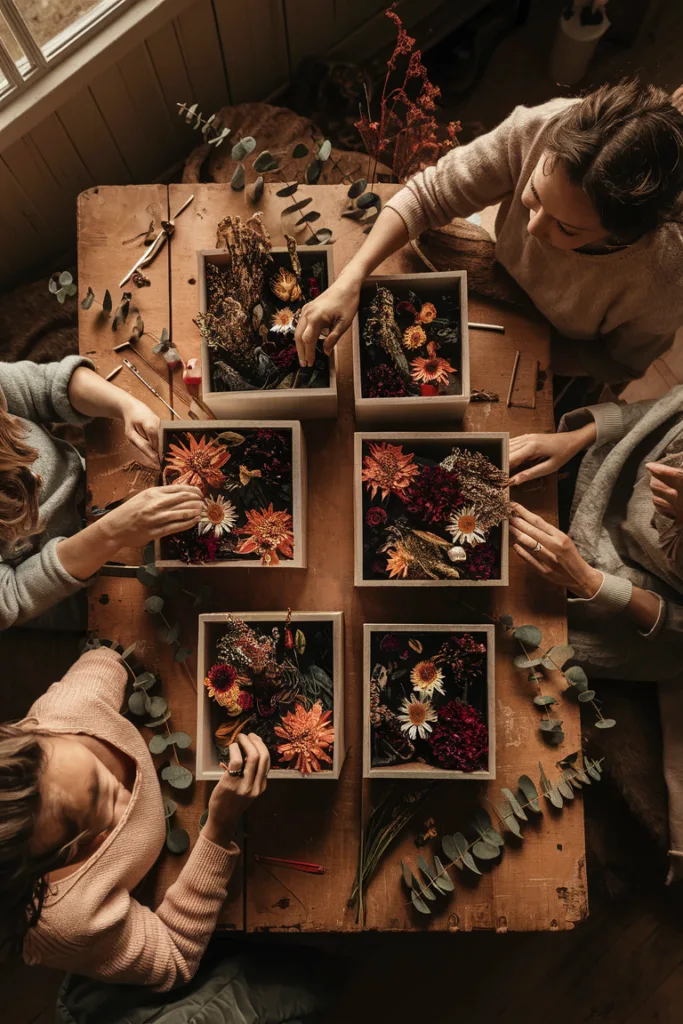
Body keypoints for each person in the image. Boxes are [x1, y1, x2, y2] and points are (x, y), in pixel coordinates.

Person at [296, 79, 683, 386]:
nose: (531, 228)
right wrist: (351, 278)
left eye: (566, 228)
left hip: (566, 352)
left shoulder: (663, 279)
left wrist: (539, 351)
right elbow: (428, 195)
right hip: (500, 283)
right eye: (532, 197)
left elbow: (618, 364)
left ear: (621, 234)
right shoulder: (540, 128)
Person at [0, 644, 269, 988]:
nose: (125, 797)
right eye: (95, 818)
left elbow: (108, 654)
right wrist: (219, 827)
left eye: (98, 778)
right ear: (48, 861)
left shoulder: (65, 711)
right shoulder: (65, 919)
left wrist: (120, 654)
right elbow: (173, 957)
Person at [508, 388, 683, 879]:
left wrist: (587, 581)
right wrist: (575, 440)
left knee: (527, 634)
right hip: (600, 484)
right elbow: (657, 413)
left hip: (635, 595)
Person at [0, 356, 203, 630]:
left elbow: (47, 386)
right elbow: (13, 597)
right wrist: (113, 530)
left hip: (99, 484)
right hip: (83, 591)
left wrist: (126, 405)